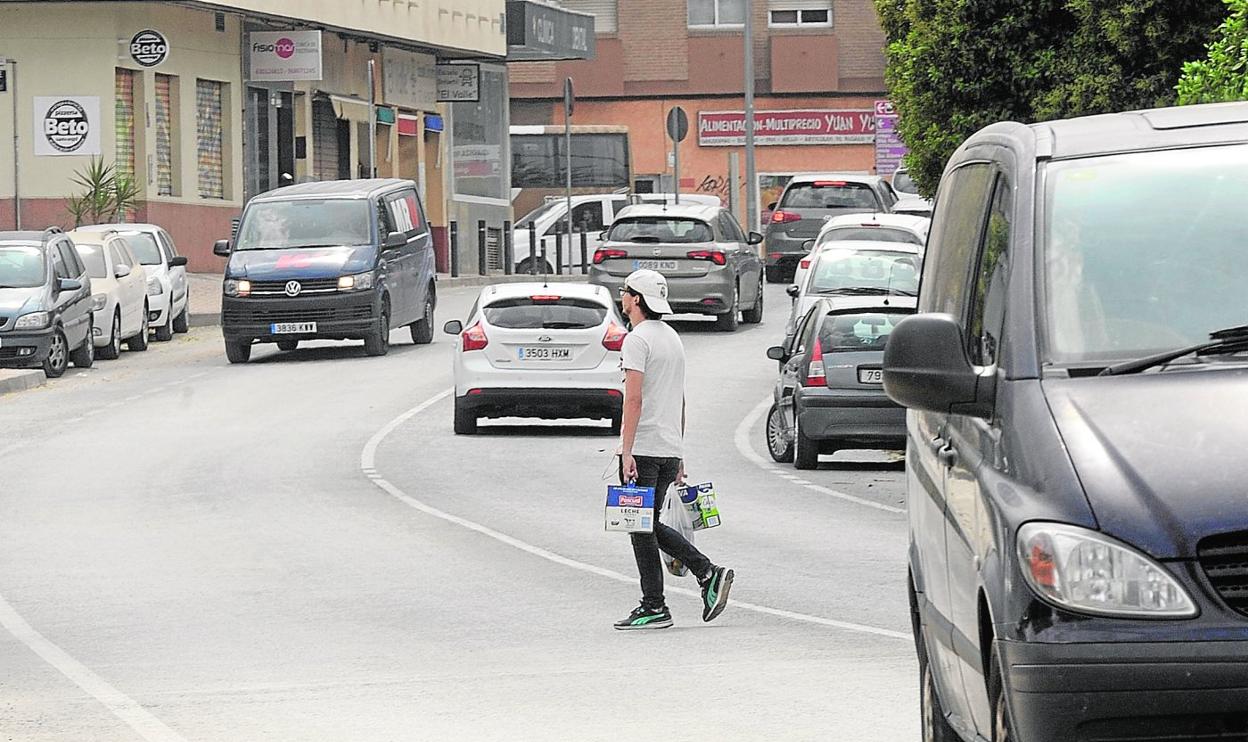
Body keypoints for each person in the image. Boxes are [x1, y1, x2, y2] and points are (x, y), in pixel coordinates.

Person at [614, 269, 733, 631]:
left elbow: (633, 399)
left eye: (625, 292)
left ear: (636, 300)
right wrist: (679, 453)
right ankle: (702, 574)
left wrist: (626, 450)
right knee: (645, 524)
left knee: (639, 527)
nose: (622, 298)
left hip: (645, 448)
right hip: (667, 448)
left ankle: (659, 603)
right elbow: (678, 398)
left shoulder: (637, 340)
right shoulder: (672, 338)